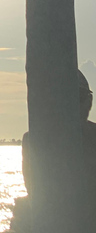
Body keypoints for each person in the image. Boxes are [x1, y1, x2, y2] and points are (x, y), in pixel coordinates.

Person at [11, 69, 96, 231]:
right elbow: (34, 188)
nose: (69, 106)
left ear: (89, 101)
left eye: (76, 97)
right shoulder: (33, 141)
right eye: (62, 98)